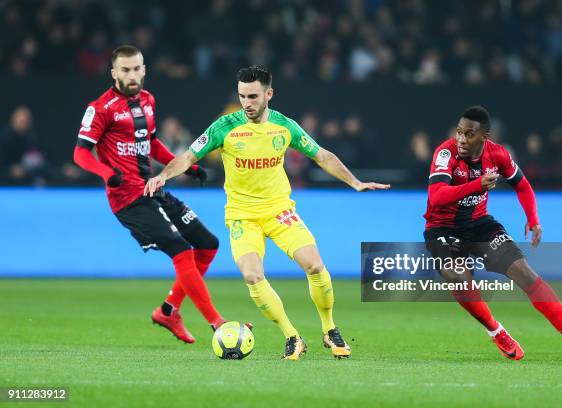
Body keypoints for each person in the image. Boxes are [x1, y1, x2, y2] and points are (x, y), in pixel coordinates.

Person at [144, 65, 390, 360]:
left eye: (253, 96)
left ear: (268, 94)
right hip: (241, 216)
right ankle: (292, 336)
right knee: (252, 275)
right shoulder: (225, 127)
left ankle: (329, 328)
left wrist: (355, 182)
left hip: (279, 210)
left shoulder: (285, 126)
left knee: (314, 265)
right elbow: (187, 156)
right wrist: (163, 176)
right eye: (242, 96)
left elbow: (321, 155)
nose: (246, 103)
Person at [73, 44, 230, 345]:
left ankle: (169, 311)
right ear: (114, 73)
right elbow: (80, 154)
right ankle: (218, 324)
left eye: (136, 69)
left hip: (153, 189)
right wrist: (107, 174)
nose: (132, 75)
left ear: (144, 69)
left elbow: (151, 144)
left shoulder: (147, 100)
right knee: (182, 251)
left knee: (207, 244)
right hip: (128, 200)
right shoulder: (101, 108)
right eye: (125, 70)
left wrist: (183, 166)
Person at [424, 105, 562, 361]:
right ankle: (496, 331)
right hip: (442, 227)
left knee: (526, 273)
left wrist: (533, 219)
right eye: (459, 132)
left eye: (469, 134)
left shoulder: (498, 155)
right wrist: (477, 185)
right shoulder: (445, 153)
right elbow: (437, 197)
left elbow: (522, 185)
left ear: (484, 138)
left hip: (479, 225)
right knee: (457, 275)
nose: (462, 139)